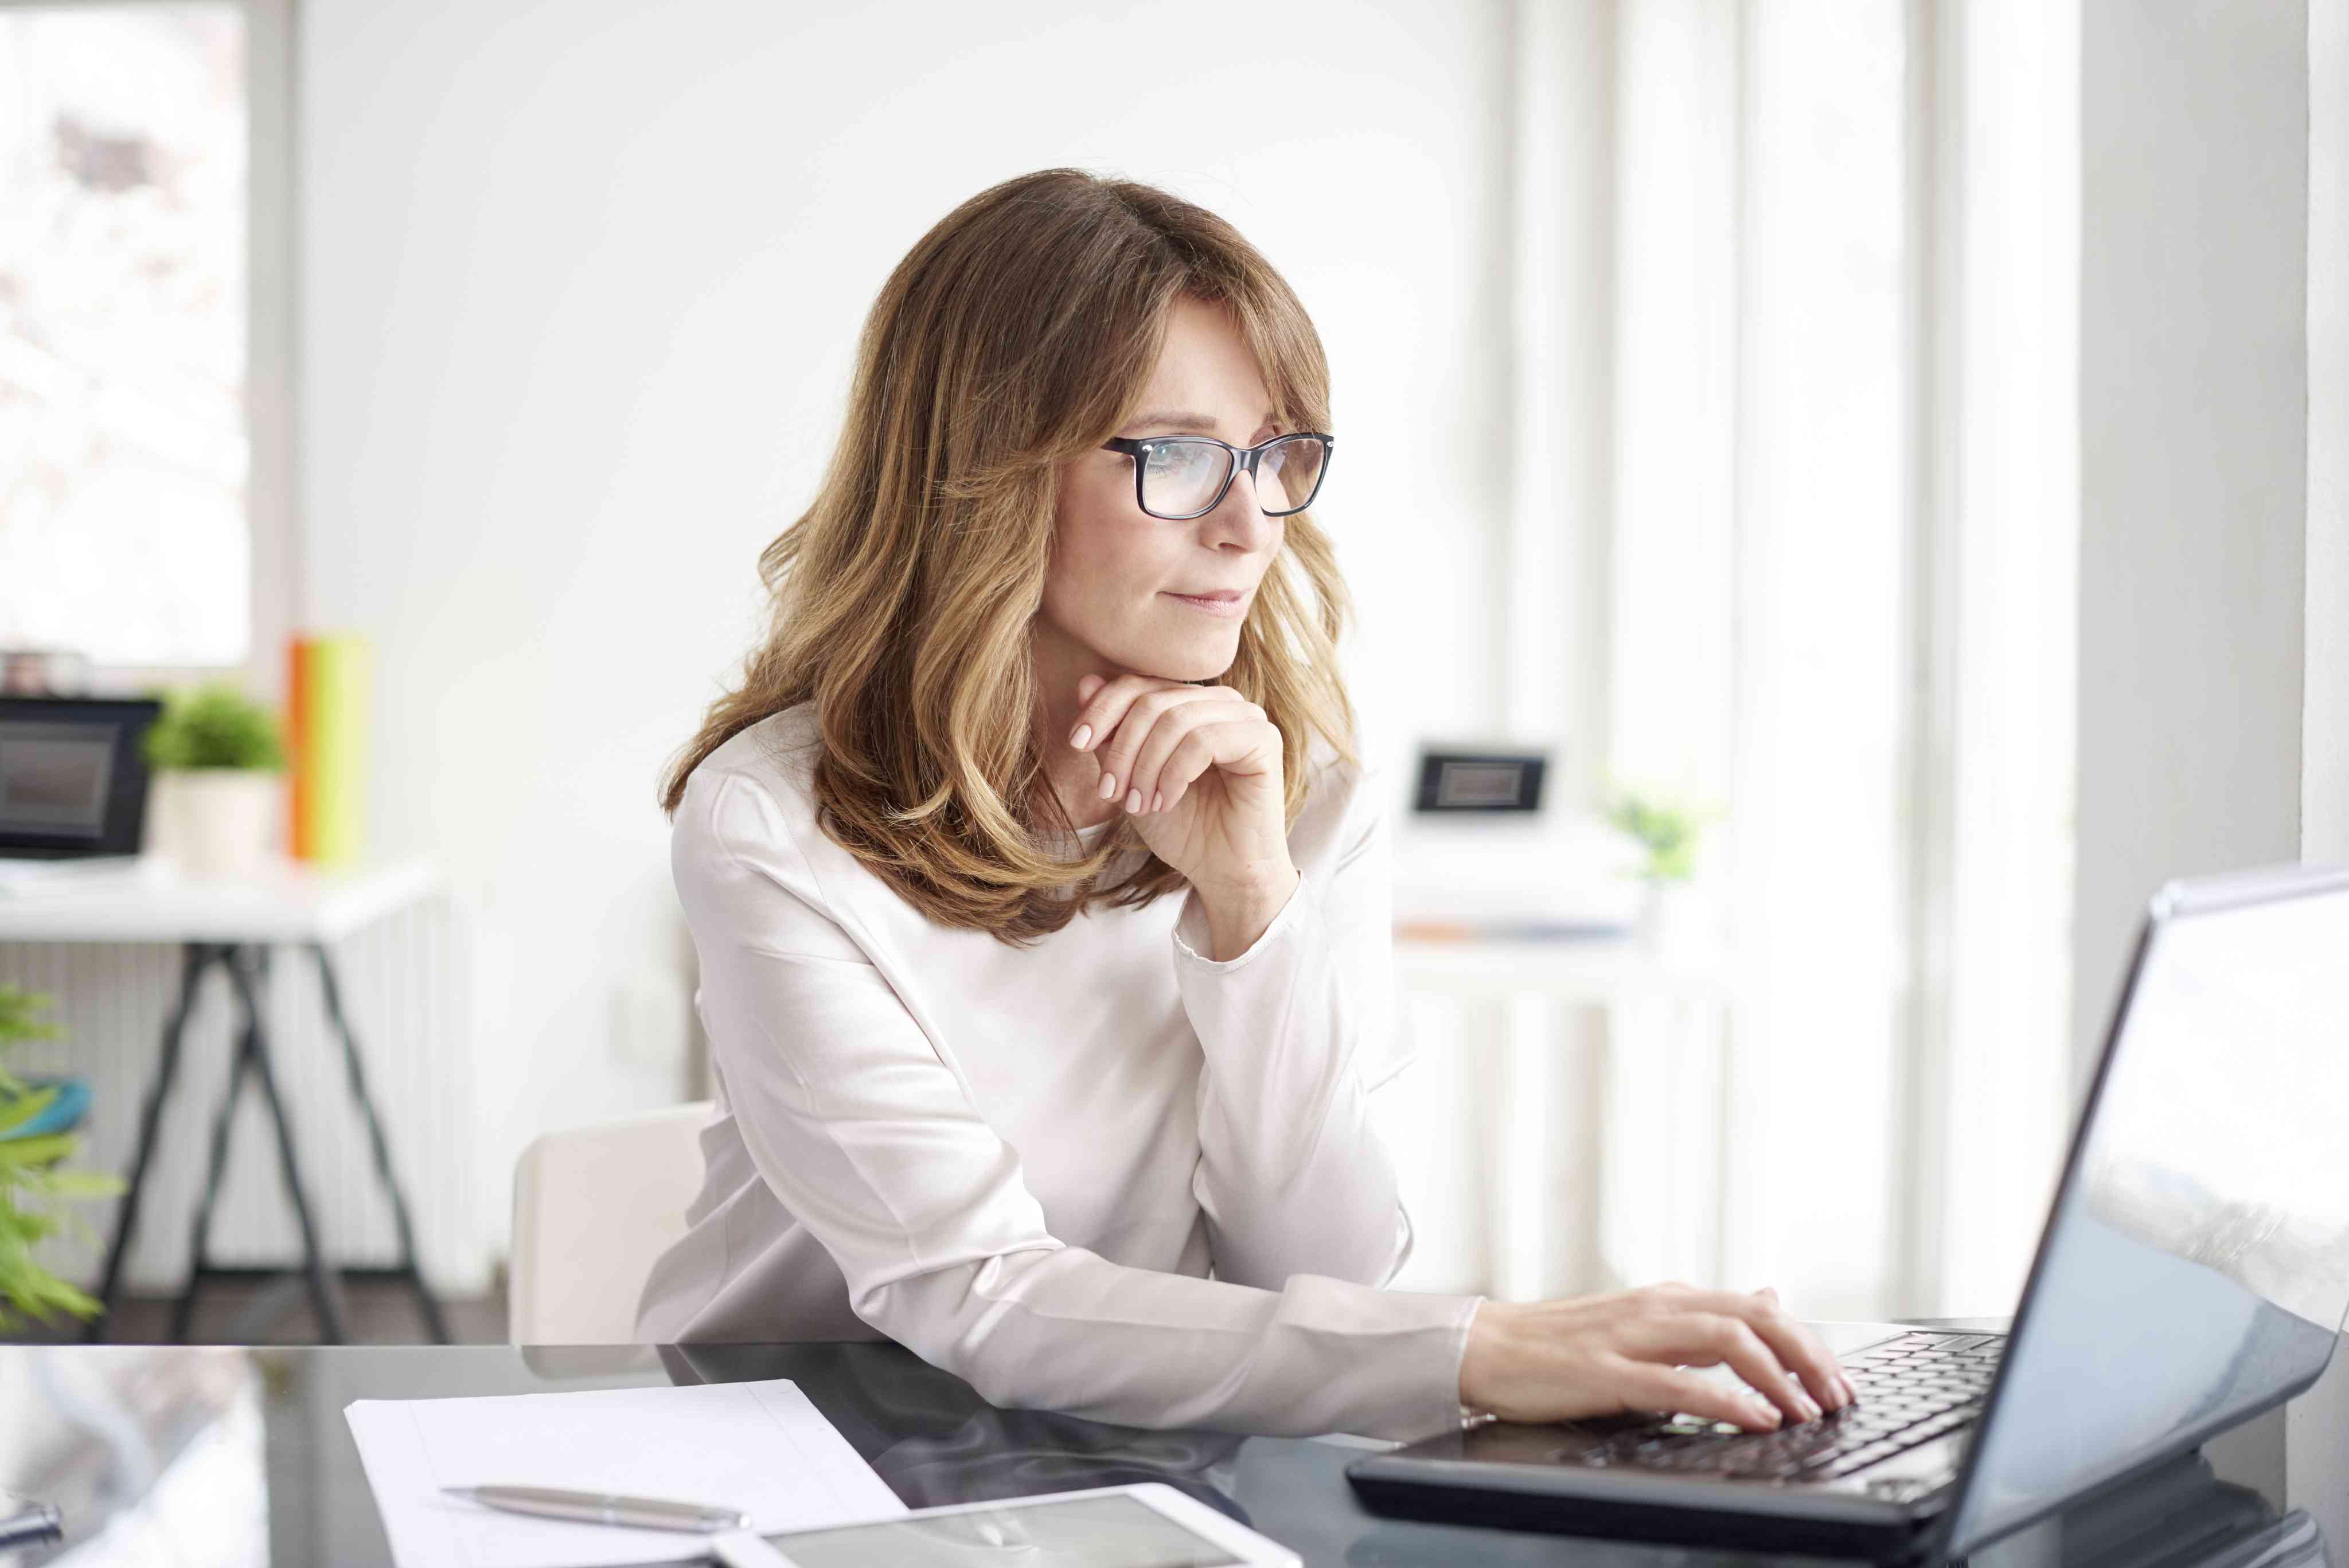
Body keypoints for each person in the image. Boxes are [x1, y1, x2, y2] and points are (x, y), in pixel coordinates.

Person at [635, 167, 1851, 1440]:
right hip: (787, 1444)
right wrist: (1483, 1343)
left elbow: (1317, 1274)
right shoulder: (774, 824)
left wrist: (1252, 909)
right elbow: (979, 1292)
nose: (1247, 523)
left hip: (1114, 1446)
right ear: (986, 472)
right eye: (1174, 455)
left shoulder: (1301, 788)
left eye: (1274, 456)